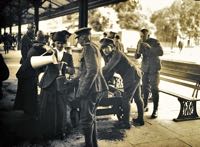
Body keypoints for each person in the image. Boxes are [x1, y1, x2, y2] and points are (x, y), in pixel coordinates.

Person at [74, 27, 108, 147]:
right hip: (97, 87)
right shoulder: (94, 47)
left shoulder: (88, 48)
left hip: (90, 90)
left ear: (83, 37)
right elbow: (87, 70)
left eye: (78, 38)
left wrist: (83, 91)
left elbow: (92, 70)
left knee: (85, 120)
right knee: (91, 118)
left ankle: (89, 145)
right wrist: (75, 79)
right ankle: (94, 144)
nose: (78, 41)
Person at [100, 38, 144, 128]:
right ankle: (140, 119)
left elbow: (107, 68)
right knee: (137, 98)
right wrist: (104, 81)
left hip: (131, 75)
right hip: (135, 74)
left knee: (126, 99)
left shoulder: (117, 54)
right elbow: (110, 72)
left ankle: (126, 123)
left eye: (106, 48)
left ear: (112, 47)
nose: (104, 50)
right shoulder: (109, 56)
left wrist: (96, 74)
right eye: (103, 48)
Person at [39, 30, 75, 139]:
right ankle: (47, 132)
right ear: (54, 42)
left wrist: (67, 68)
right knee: (47, 109)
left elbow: (72, 71)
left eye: (61, 43)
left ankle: (61, 131)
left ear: (64, 44)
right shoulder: (49, 52)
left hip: (61, 86)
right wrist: (46, 52)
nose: (59, 45)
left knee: (61, 109)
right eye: (57, 43)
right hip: (48, 85)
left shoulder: (68, 56)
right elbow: (40, 65)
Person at [14, 30, 47, 118]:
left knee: (26, 91)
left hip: (25, 70)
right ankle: (31, 111)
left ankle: (27, 110)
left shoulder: (34, 47)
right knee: (30, 92)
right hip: (28, 72)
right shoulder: (41, 49)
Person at [135, 29, 163, 119]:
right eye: (141, 36)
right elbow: (137, 56)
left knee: (155, 89)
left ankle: (155, 110)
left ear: (148, 35)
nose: (142, 38)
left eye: (144, 36)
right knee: (145, 88)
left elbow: (161, 52)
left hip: (154, 69)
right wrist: (138, 51)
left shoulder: (154, 42)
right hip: (145, 69)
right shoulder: (140, 42)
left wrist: (150, 48)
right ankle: (145, 106)